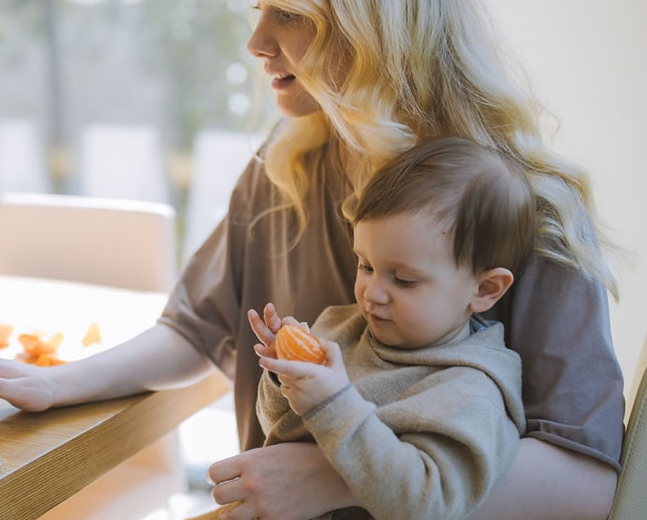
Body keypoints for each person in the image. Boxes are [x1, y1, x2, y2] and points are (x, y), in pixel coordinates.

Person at [0, 0, 625, 518]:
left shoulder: (528, 208)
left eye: (289, 12)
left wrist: (336, 479)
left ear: (372, 16)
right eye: (256, 7)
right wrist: (54, 382)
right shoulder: (285, 165)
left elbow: (585, 484)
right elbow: (196, 328)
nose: (255, 41)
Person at [207, 136, 534, 520]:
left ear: (484, 289)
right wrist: (286, 378)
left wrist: (334, 404)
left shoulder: (470, 392)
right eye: (366, 266)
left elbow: (429, 504)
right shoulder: (341, 328)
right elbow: (280, 431)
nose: (372, 293)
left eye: (405, 280)